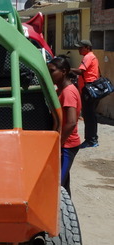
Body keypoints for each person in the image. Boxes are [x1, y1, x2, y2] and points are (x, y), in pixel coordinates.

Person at [48, 56, 82, 197]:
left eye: (52, 71)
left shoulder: (68, 92)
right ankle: (68, 215)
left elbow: (71, 121)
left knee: (57, 186)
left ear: (64, 71)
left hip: (67, 146)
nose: (49, 74)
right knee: (63, 185)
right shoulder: (61, 90)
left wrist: (59, 143)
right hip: (64, 144)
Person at [71, 39, 100, 148]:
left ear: (87, 48)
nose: (79, 49)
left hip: (88, 90)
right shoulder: (92, 56)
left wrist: (68, 69)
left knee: (89, 116)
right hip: (90, 89)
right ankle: (92, 139)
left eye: (80, 47)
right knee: (90, 115)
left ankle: (91, 140)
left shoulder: (88, 57)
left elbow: (81, 71)